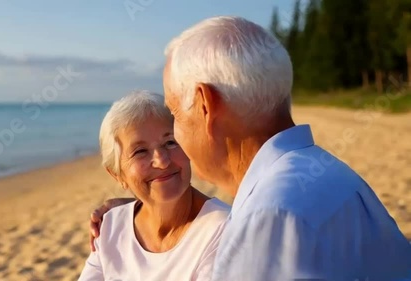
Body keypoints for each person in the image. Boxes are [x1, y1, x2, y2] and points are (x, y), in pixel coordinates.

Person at [89, 16, 411, 280]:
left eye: (174, 113)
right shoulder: (328, 172)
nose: (174, 133)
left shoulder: (269, 218)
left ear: (205, 105)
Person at [78, 90, 230, 281]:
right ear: (117, 175)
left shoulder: (222, 229)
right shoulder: (109, 228)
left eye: (170, 142)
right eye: (140, 151)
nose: (162, 161)